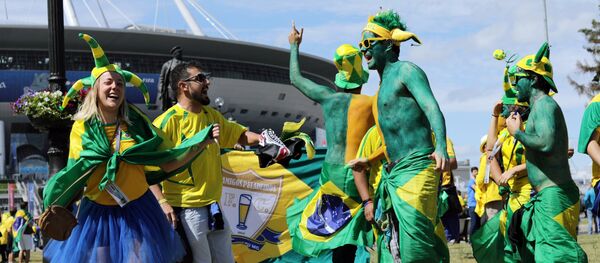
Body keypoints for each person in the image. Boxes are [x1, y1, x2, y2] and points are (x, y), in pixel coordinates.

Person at [42, 33, 218, 263]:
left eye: (120, 84)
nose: (115, 87)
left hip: (139, 210)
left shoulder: (136, 125)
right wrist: (55, 199)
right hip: (98, 214)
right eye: (109, 82)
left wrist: (200, 143)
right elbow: (76, 171)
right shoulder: (82, 128)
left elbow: (167, 160)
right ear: (96, 89)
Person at [348, 10, 449, 262]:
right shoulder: (379, 91)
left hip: (418, 168)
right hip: (394, 175)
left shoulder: (407, 71)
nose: (364, 51)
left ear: (389, 45)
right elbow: (391, 143)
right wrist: (369, 160)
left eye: (369, 43)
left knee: (415, 250)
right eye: (361, 45)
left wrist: (442, 148)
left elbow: (432, 108)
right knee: (395, 248)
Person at [151, 60, 263, 263]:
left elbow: (240, 135)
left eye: (206, 77)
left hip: (214, 207)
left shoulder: (211, 115)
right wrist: (162, 202)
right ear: (183, 86)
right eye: (200, 78)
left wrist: (268, 141)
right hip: (186, 210)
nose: (207, 82)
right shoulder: (166, 123)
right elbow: (148, 170)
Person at [285, 23, 375, 261]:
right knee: (349, 237)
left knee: (334, 231)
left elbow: (295, 78)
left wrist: (294, 45)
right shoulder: (369, 104)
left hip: (330, 173)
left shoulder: (327, 97)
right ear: (360, 78)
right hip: (354, 173)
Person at [505, 42, 587, 262]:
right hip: (547, 195)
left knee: (555, 257)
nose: (514, 86)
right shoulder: (538, 108)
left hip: (555, 194)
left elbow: (546, 143)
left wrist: (517, 133)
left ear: (533, 79)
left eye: (518, 79)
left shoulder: (544, 105)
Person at [439, 138, 460, 244]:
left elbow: (453, 162)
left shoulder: (444, 139)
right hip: (428, 188)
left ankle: (452, 239)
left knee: (449, 216)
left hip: (445, 187)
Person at [158, 46, 185, 111]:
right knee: (173, 104)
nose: (181, 54)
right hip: (171, 88)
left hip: (182, 88)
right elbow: (161, 78)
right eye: (179, 52)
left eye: (181, 52)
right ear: (175, 54)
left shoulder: (185, 64)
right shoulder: (167, 64)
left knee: (182, 104)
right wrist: (160, 91)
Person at [467, 167, 481, 240]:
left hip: (478, 205)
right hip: (472, 205)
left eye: (477, 171)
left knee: (478, 223)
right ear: (472, 173)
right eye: (475, 171)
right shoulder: (471, 181)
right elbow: (476, 188)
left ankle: (476, 239)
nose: (477, 173)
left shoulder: (476, 181)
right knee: (474, 222)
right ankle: (471, 239)